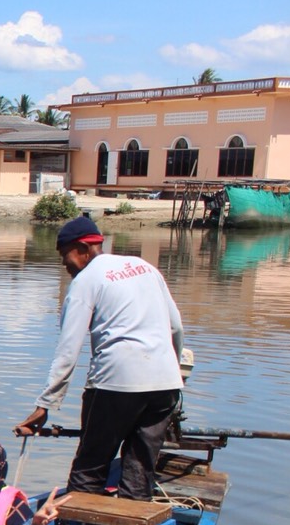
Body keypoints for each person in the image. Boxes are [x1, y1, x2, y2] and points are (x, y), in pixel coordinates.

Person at [15, 215, 185, 501]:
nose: (65, 264)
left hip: (116, 384)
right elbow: (176, 327)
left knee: (89, 469)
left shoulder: (86, 280)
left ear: (83, 248)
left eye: (65, 255)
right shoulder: (145, 267)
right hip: (165, 385)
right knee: (140, 471)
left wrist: (45, 404)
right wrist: (173, 372)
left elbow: (68, 350)